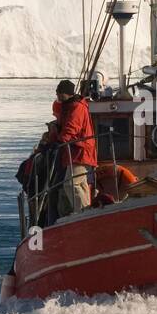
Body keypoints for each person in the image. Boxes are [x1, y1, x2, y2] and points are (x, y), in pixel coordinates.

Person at [54, 80, 96, 217]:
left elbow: (72, 127)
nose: (57, 95)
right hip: (78, 151)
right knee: (81, 183)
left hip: (80, 151)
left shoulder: (76, 107)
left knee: (71, 184)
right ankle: (86, 209)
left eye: (59, 92)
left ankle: (83, 213)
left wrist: (60, 140)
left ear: (65, 93)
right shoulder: (71, 106)